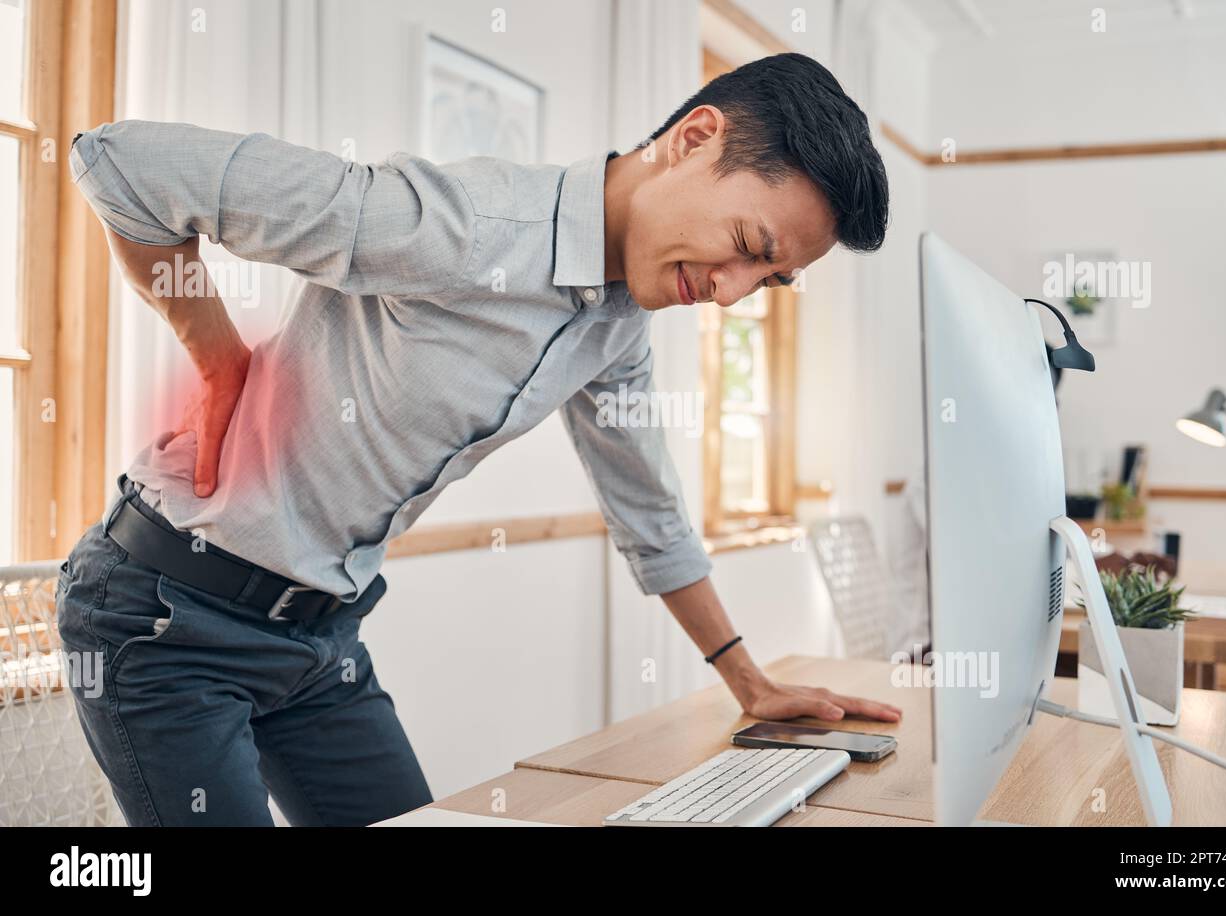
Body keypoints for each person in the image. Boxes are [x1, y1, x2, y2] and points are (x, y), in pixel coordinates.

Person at [56, 52, 898, 826]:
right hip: (168, 620)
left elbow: (652, 512)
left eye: (769, 279)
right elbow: (125, 164)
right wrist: (218, 362)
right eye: (748, 247)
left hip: (319, 640)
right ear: (693, 138)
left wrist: (749, 683)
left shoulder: (617, 325)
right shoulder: (463, 227)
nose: (731, 293)